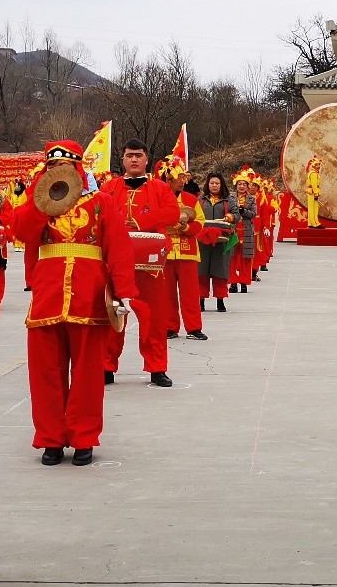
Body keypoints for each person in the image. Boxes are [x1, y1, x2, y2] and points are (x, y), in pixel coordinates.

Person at [14, 140, 138, 464]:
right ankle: (50, 438)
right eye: (52, 167)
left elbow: (119, 248)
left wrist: (123, 291)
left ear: (78, 168)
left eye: (65, 166)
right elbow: (22, 233)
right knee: (45, 373)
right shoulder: (36, 202)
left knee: (87, 374)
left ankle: (84, 437)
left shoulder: (101, 202)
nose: (59, 172)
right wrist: (42, 202)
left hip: (90, 295)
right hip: (47, 297)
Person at [100, 140, 179, 387]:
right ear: (122, 160)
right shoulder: (109, 188)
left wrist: (141, 222)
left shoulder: (160, 188)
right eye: (129, 156)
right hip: (114, 263)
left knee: (154, 318)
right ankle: (106, 366)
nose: (134, 160)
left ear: (146, 160)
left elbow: (172, 213)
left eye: (138, 155)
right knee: (111, 314)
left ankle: (157, 368)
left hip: (151, 266)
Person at [159, 157, 207, 340]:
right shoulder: (160, 198)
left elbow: (200, 223)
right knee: (167, 293)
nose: (183, 181)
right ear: (168, 178)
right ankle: (170, 327)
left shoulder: (190, 199)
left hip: (187, 252)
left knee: (190, 293)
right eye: (179, 177)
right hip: (166, 252)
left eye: (183, 178)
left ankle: (193, 327)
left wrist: (186, 228)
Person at [197, 173, 233, 313]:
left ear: (221, 185)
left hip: (221, 239)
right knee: (201, 271)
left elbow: (236, 215)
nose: (214, 186)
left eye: (217, 183)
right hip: (203, 239)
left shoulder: (228, 201)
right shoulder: (201, 200)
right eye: (212, 183)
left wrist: (230, 216)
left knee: (220, 271)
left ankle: (220, 300)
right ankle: (201, 301)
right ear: (208, 184)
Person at [227, 172, 259, 295]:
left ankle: (244, 283)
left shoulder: (251, 198)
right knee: (233, 257)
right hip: (234, 230)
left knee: (246, 258)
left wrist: (243, 211)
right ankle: (233, 283)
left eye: (244, 184)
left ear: (247, 186)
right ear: (236, 185)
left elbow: (253, 214)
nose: (241, 186)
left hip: (246, 231)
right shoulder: (230, 197)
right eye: (239, 184)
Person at [305, 157, 323, 228]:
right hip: (312, 192)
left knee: (311, 208)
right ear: (313, 166)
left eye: (319, 165)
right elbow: (314, 185)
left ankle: (310, 223)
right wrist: (316, 193)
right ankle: (315, 223)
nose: (318, 166)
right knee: (313, 208)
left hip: (312, 191)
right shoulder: (313, 174)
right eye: (317, 165)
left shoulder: (313, 173)